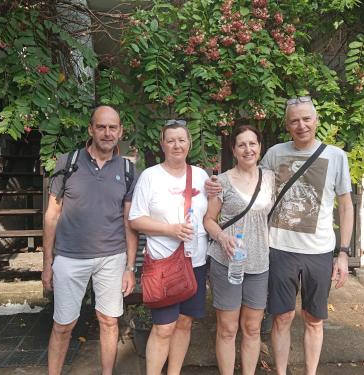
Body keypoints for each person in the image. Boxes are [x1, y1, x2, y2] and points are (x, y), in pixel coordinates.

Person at [206, 96, 354, 375]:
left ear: (316, 120)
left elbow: (346, 205)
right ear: (287, 125)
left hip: (319, 249)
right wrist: (214, 184)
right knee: (281, 317)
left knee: (314, 319)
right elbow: (245, 180)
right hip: (279, 248)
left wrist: (343, 253)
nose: (301, 125)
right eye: (294, 120)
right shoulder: (275, 154)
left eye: (306, 119)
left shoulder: (336, 156)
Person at [42, 105, 138, 375]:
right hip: (70, 258)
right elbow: (52, 214)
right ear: (91, 129)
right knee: (63, 325)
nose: (107, 133)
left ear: (120, 131)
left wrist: (130, 268)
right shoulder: (68, 162)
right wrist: (48, 262)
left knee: (109, 321)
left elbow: (129, 222)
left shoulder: (129, 170)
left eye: (113, 127)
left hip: (112, 257)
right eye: (101, 127)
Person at [128, 119, 209, 375]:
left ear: (189, 143)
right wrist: (170, 229)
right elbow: (136, 219)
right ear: (162, 144)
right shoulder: (150, 177)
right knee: (163, 328)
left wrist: (216, 195)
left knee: (185, 323)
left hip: (195, 261)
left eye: (181, 140)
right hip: (163, 263)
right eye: (171, 140)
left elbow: (210, 216)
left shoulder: (201, 175)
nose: (177, 145)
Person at [203, 125, 275, 375]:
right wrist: (223, 238)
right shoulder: (221, 182)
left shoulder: (270, 178)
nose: (248, 149)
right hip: (227, 262)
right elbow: (208, 220)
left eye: (252, 143)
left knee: (253, 328)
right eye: (242, 144)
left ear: (260, 147)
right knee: (227, 328)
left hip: (258, 263)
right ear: (233, 150)